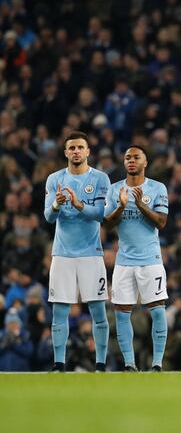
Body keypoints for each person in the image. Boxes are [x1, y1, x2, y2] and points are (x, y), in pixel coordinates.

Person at [44, 131, 111, 372]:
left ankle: (100, 363)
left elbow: (102, 214)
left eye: (80, 147)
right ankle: (59, 363)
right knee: (60, 310)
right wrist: (56, 204)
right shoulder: (55, 179)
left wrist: (77, 203)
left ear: (88, 151)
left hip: (91, 254)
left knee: (98, 309)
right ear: (65, 152)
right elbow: (48, 217)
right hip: (62, 253)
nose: (76, 151)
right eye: (71, 148)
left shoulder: (100, 178)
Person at [104, 145, 170, 371]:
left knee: (157, 308)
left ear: (145, 162)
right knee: (122, 312)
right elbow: (107, 224)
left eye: (136, 157)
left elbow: (161, 222)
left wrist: (141, 205)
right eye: (127, 157)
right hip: (124, 260)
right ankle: (130, 364)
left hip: (151, 259)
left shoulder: (157, 188)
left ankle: (157, 363)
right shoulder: (115, 189)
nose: (131, 160)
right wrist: (121, 206)